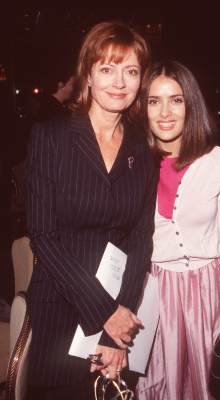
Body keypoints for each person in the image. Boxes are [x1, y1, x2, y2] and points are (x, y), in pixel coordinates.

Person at [25, 21, 157, 400]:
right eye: (107, 69)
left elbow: (140, 238)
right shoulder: (52, 137)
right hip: (63, 309)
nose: (119, 82)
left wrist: (121, 318)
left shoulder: (141, 147)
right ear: (88, 74)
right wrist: (105, 312)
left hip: (120, 313)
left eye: (130, 71)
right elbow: (43, 237)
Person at [135, 61, 220, 399]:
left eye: (176, 99)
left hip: (211, 289)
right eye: (154, 101)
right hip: (159, 294)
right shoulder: (134, 163)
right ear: (142, 107)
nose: (165, 112)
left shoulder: (219, 161)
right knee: (168, 383)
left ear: (191, 103)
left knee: (214, 382)